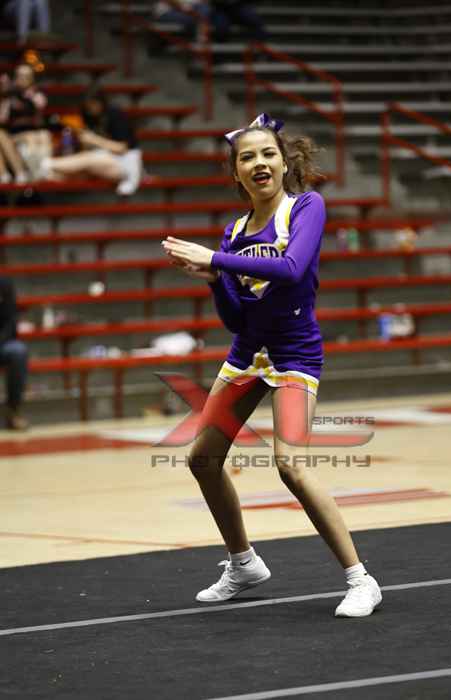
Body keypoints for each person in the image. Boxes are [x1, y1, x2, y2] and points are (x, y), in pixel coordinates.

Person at [162, 113, 382, 618]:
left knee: (290, 465)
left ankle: (361, 580)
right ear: (236, 172)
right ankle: (243, 564)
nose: (259, 163)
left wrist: (216, 261)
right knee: (202, 458)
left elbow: (292, 268)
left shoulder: (307, 207)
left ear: (284, 163)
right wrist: (215, 282)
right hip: (247, 354)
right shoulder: (234, 232)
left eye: (267, 154)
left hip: (295, 353)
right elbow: (236, 319)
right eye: (247, 157)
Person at [40, 90, 143, 196]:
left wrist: (94, 140)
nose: (89, 109)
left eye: (92, 105)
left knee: (88, 158)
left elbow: (122, 148)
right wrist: (87, 141)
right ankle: (44, 172)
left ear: (100, 103)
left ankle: (45, 164)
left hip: (126, 161)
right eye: (87, 106)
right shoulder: (88, 115)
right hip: (104, 161)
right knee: (68, 173)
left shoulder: (114, 114)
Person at [0, 63, 48, 183]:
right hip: (12, 135)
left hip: (30, 133)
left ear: (32, 79)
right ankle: (7, 174)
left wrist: (26, 95)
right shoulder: (9, 96)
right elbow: (2, 119)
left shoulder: (37, 95)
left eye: (26, 76)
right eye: (20, 76)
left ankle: (19, 173)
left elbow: (40, 109)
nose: (22, 79)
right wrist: (5, 96)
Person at [0, 276, 29, 431]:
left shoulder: (4, 284)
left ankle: (13, 411)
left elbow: (11, 322)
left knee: (18, 351)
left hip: (3, 343)